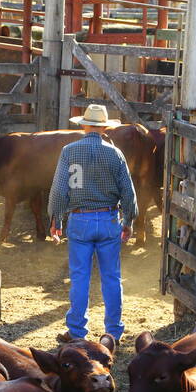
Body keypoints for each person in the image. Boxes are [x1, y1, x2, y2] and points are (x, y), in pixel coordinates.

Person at [46, 103, 137, 344]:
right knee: (111, 277)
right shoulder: (115, 153)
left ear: (85, 125)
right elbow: (128, 192)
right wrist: (128, 220)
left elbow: (58, 189)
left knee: (79, 277)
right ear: (105, 128)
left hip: (79, 219)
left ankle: (77, 332)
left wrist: (56, 219)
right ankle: (113, 332)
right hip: (108, 219)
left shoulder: (69, 151)